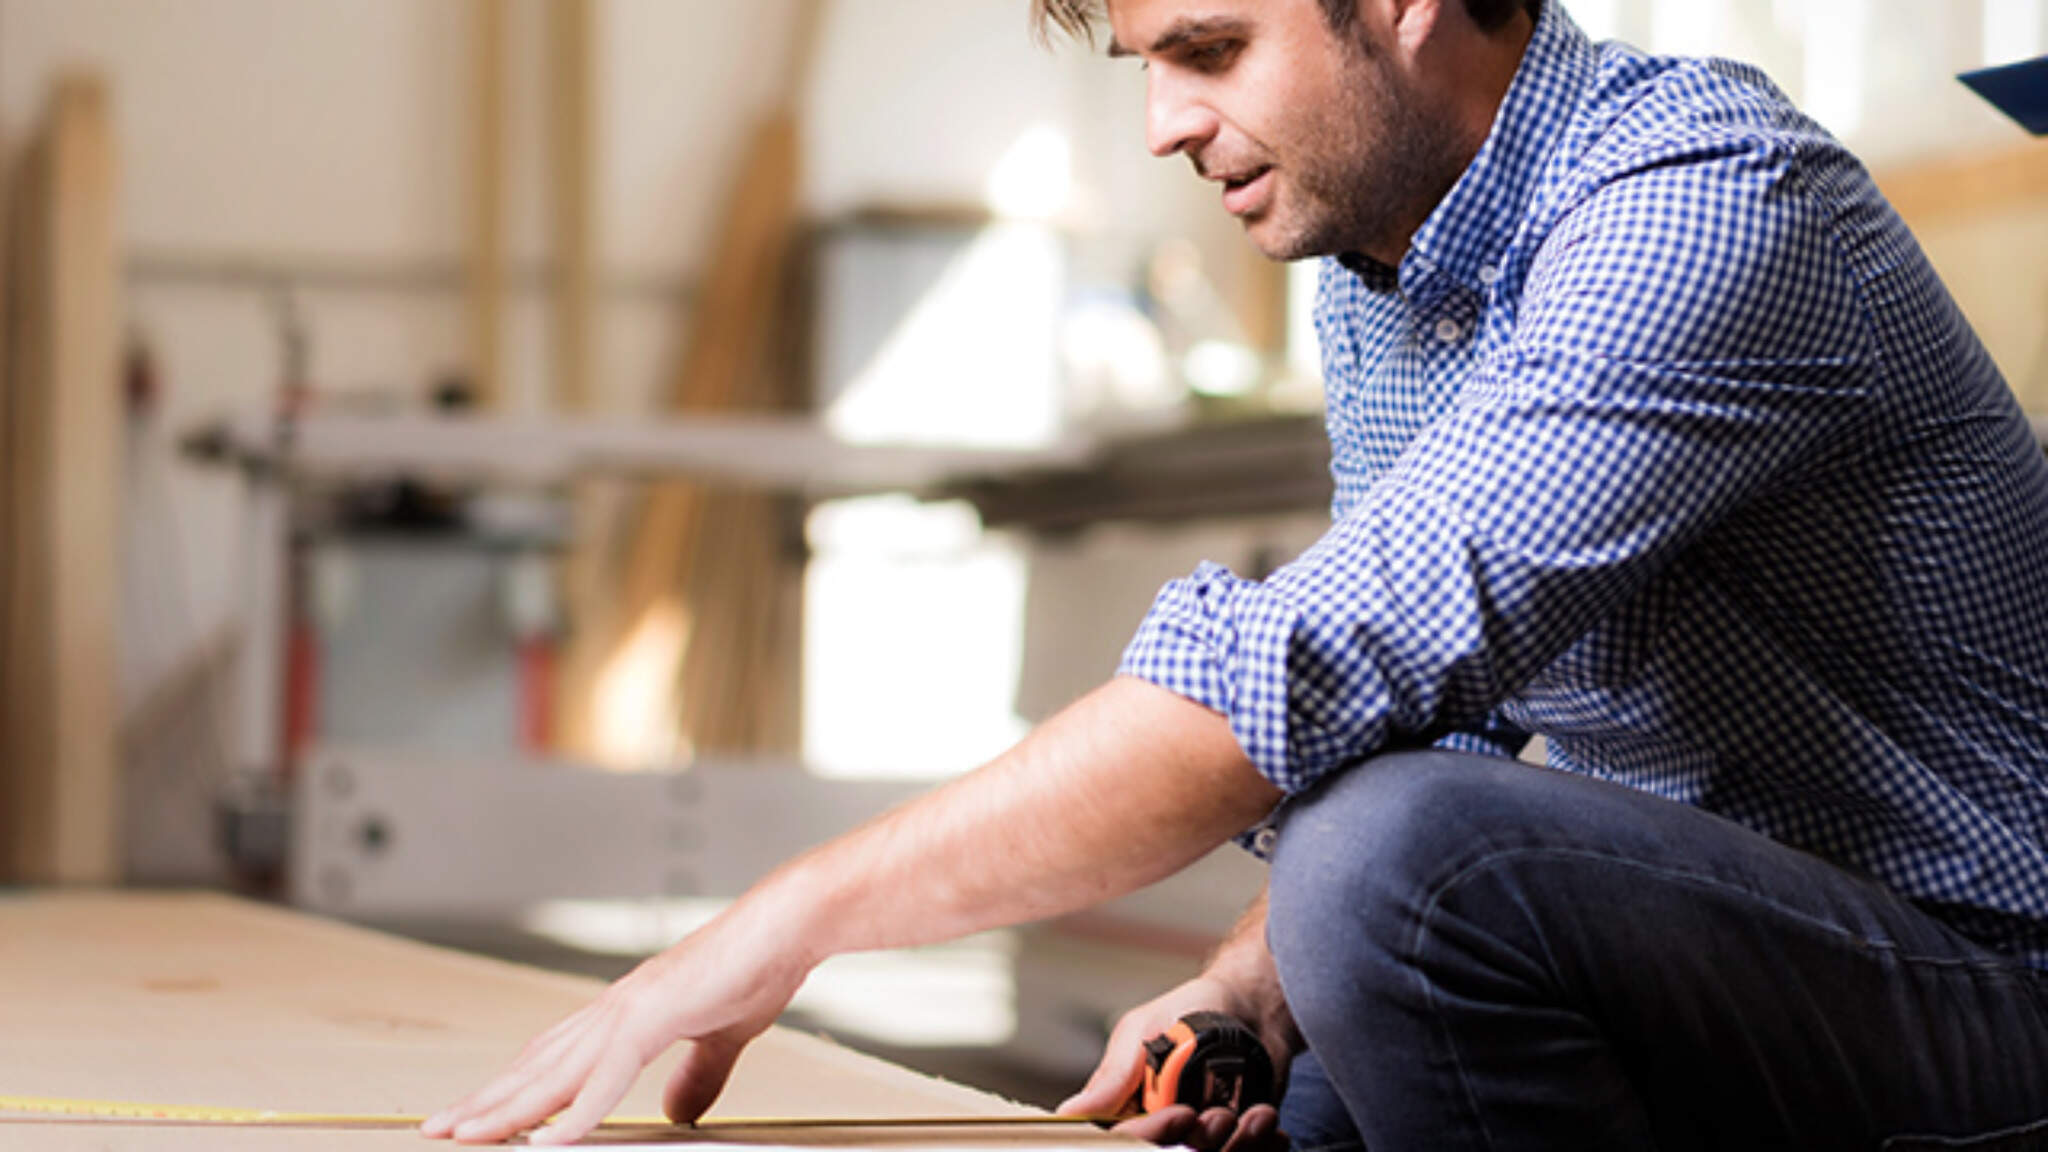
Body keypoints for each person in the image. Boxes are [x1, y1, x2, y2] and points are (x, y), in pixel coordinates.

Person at [424, 0, 2048, 1146]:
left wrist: (780, 924)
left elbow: (1310, 677)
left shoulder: (1701, 205)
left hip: (1998, 985)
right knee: (1318, 1051)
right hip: (1772, 957)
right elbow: (1444, 715)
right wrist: (1234, 993)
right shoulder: (1382, 273)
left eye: (1209, 51)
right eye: (1148, 65)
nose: (1163, 125)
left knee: (1398, 870)